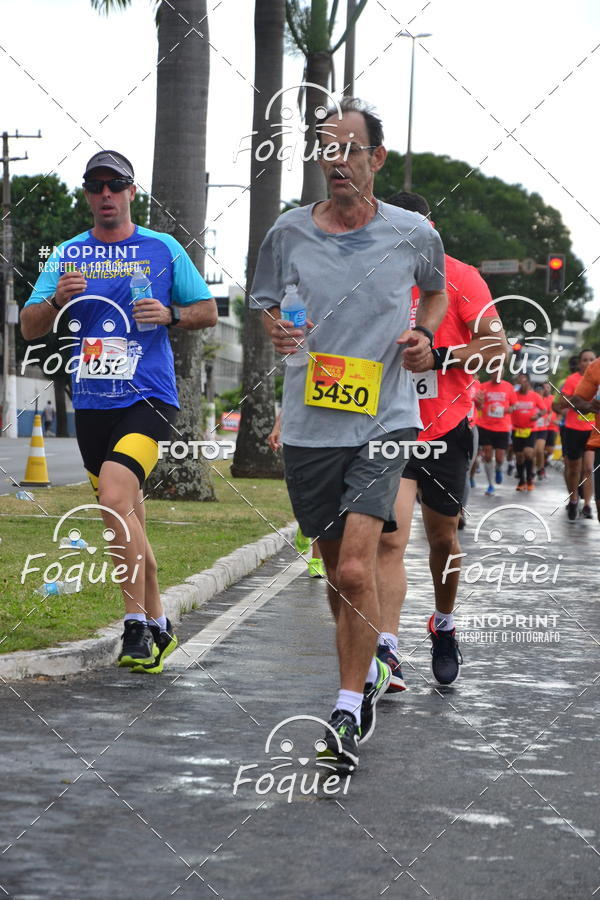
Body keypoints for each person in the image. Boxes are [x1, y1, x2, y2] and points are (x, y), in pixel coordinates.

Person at [252, 99, 448, 772]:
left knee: (362, 566)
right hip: (311, 423)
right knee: (339, 574)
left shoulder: (414, 233)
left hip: (386, 418)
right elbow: (267, 304)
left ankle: (343, 706)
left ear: (376, 158)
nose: (337, 161)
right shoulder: (288, 233)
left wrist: (422, 336)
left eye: (349, 149)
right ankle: (357, 677)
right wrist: (277, 328)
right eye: (326, 150)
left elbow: (436, 295)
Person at [21, 150, 217, 672]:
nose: (105, 194)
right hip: (92, 404)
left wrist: (173, 314)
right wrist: (56, 300)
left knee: (112, 497)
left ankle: (133, 625)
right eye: (95, 185)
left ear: (132, 192)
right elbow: (29, 326)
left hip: (149, 398)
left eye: (116, 184)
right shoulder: (65, 255)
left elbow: (209, 311)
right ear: (87, 195)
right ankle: (159, 625)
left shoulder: (162, 248)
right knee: (124, 517)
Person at [376, 191, 509, 689]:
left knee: (443, 540)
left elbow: (496, 350)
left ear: (430, 229)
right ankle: (386, 648)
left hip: (448, 429)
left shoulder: (462, 276)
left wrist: (441, 356)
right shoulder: (372, 276)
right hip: (390, 428)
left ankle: (443, 623)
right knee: (390, 538)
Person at [267, 412, 326, 577]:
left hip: (333, 441)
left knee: (322, 503)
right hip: (301, 442)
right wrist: (277, 426)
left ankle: (316, 561)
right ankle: (304, 523)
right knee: (306, 498)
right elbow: (290, 400)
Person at [553, 348, 596, 520]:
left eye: (591, 359)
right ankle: (573, 499)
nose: (588, 363)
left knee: (588, 468)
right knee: (573, 469)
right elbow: (560, 404)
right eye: (584, 360)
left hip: (592, 431)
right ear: (579, 363)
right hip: (572, 429)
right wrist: (576, 401)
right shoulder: (571, 380)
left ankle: (587, 505)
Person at [476, 373, 518, 495]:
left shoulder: (508, 387)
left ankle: (499, 468)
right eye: (494, 372)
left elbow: (514, 404)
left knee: (500, 458)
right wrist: (481, 404)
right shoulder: (483, 386)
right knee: (488, 456)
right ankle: (490, 485)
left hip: (502, 427)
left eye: (499, 372)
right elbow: (477, 403)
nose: (496, 374)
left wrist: (511, 409)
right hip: (485, 425)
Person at [570, 358, 600, 521]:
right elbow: (577, 401)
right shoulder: (596, 367)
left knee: (586, 468)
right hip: (594, 437)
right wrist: (591, 406)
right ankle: (576, 500)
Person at [511, 373, 545, 491]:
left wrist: (538, 416)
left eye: (524, 381)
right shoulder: (514, 395)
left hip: (530, 429)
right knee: (519, 456)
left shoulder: (535, 396)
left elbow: (544, 410)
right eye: (520, 382)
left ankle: (530, 479)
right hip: (516, 429)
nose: (522, 384)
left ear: (528, 382)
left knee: (528, 453)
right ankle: (521, 480)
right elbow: (507, 406)